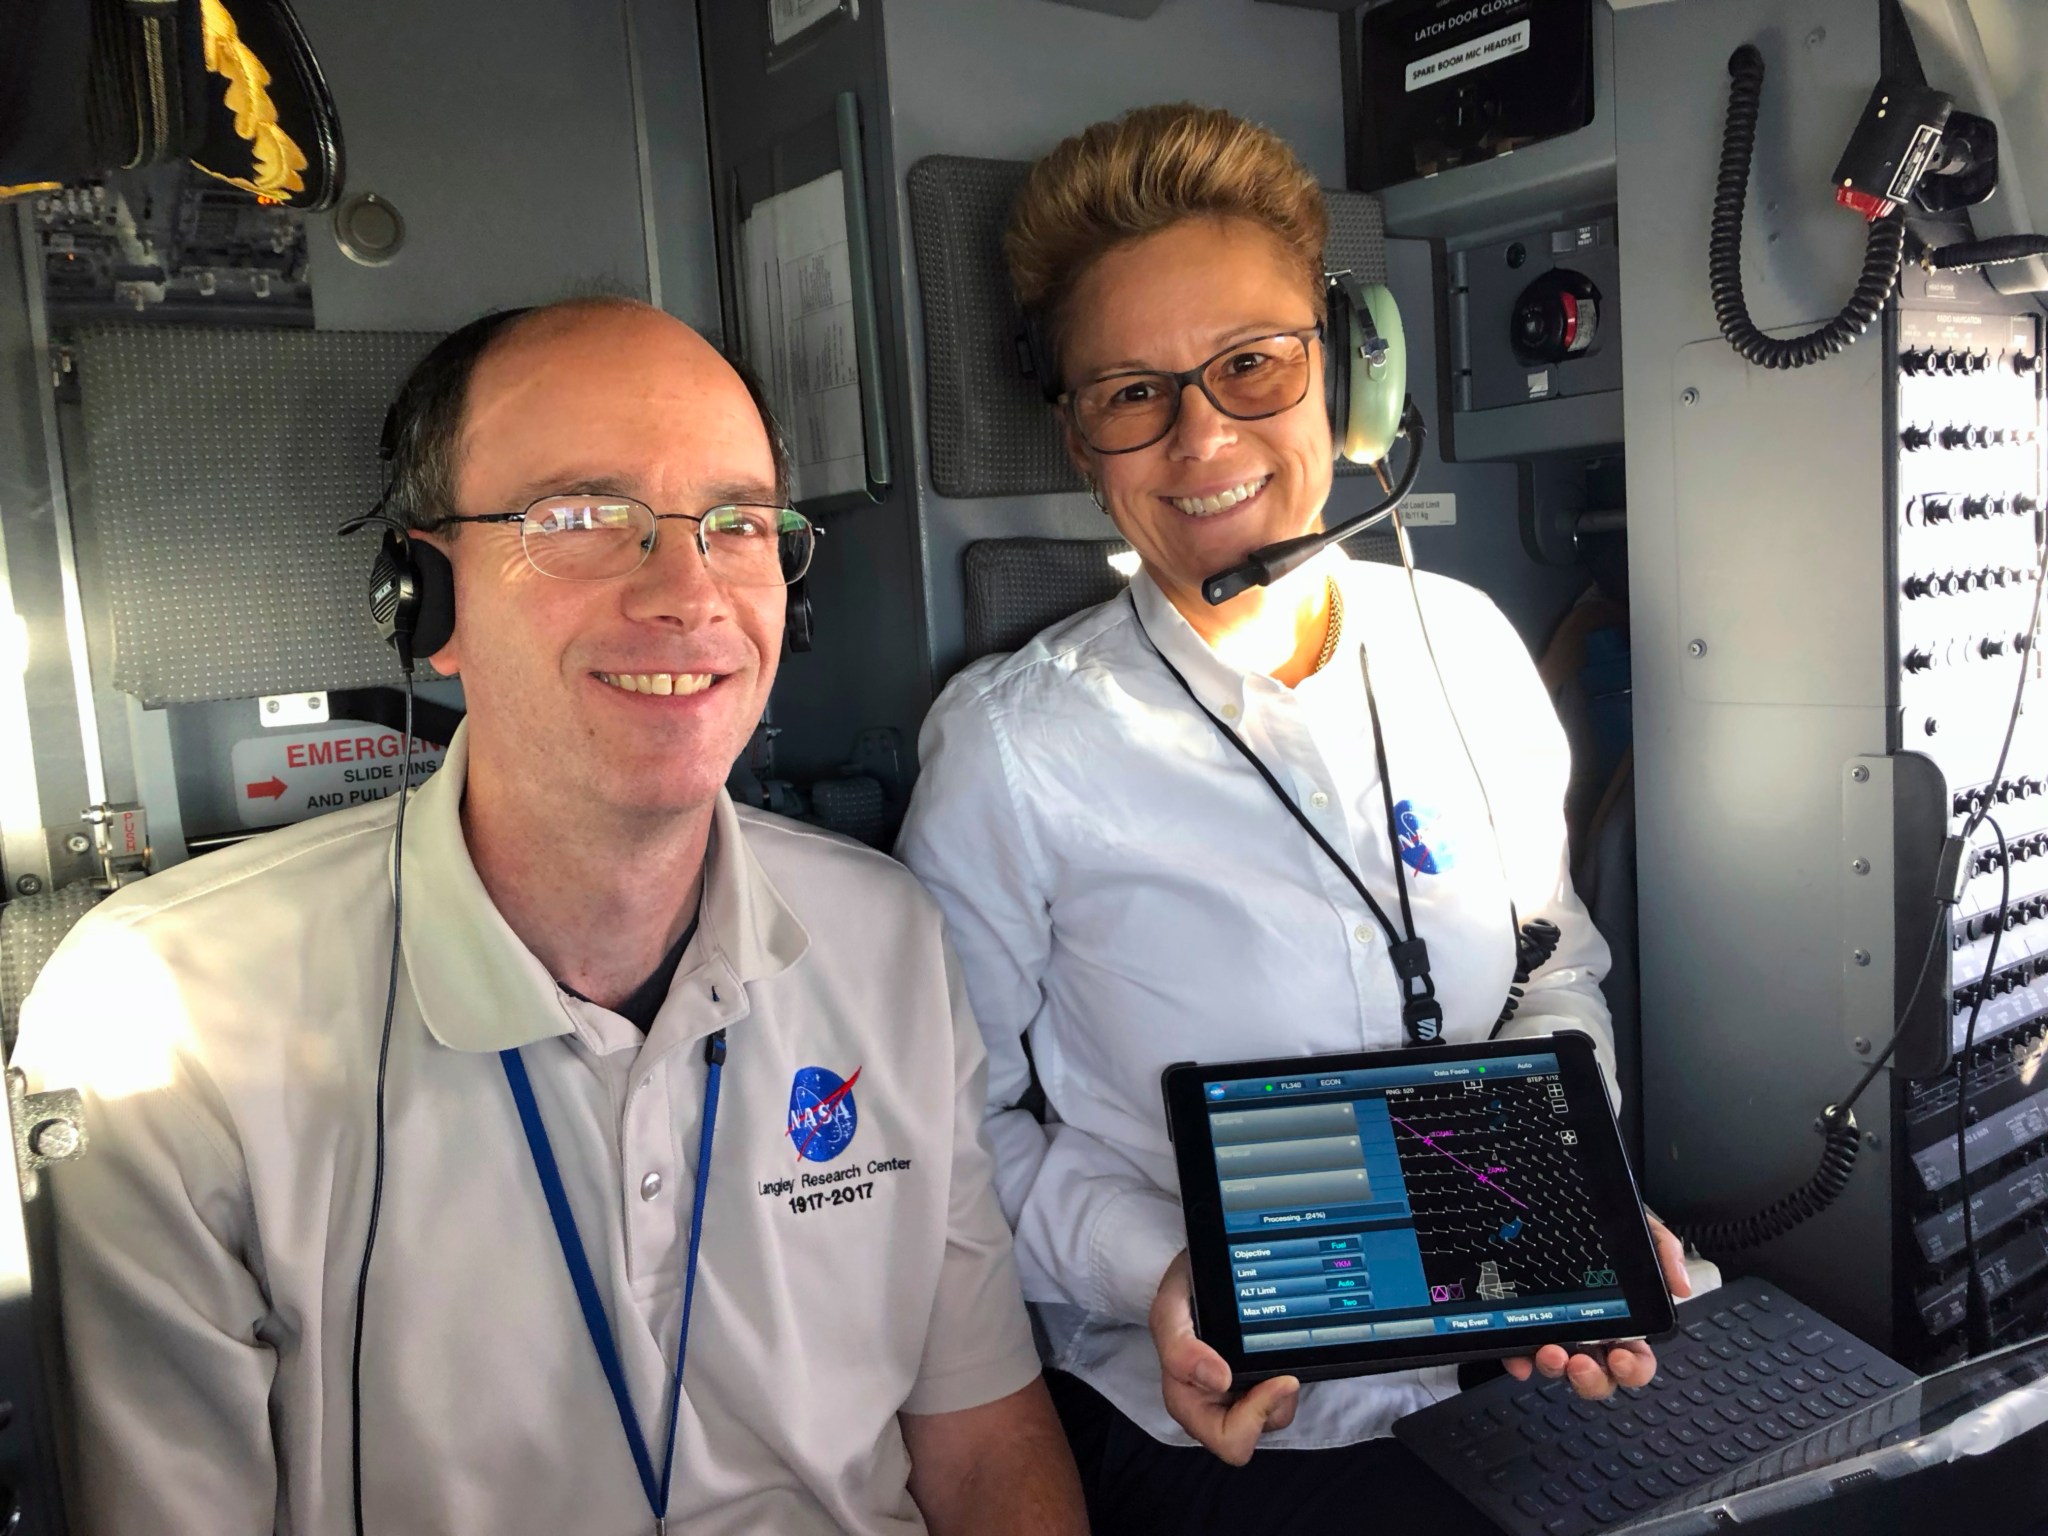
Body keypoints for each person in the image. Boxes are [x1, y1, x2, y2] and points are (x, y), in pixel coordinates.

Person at [15, 298, 1087, 1536]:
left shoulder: (886, 937)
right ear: (426, 598)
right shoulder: (166, 1011)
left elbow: (980, 1432)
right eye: (580, 519)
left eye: (734, 523)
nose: (689, 593)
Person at [895, 105, 1691, 1533]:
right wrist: (1164, 1265)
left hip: (1499, 1377)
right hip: (1214, 1433)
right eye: (1133, 392)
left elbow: (1551, 964)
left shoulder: (1465, 646)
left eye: (1252, 365)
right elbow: (948, 1131)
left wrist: (1553, 1194)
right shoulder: (1016, 750)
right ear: (1082, 437)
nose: (1204, 435)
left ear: (1349, 368)